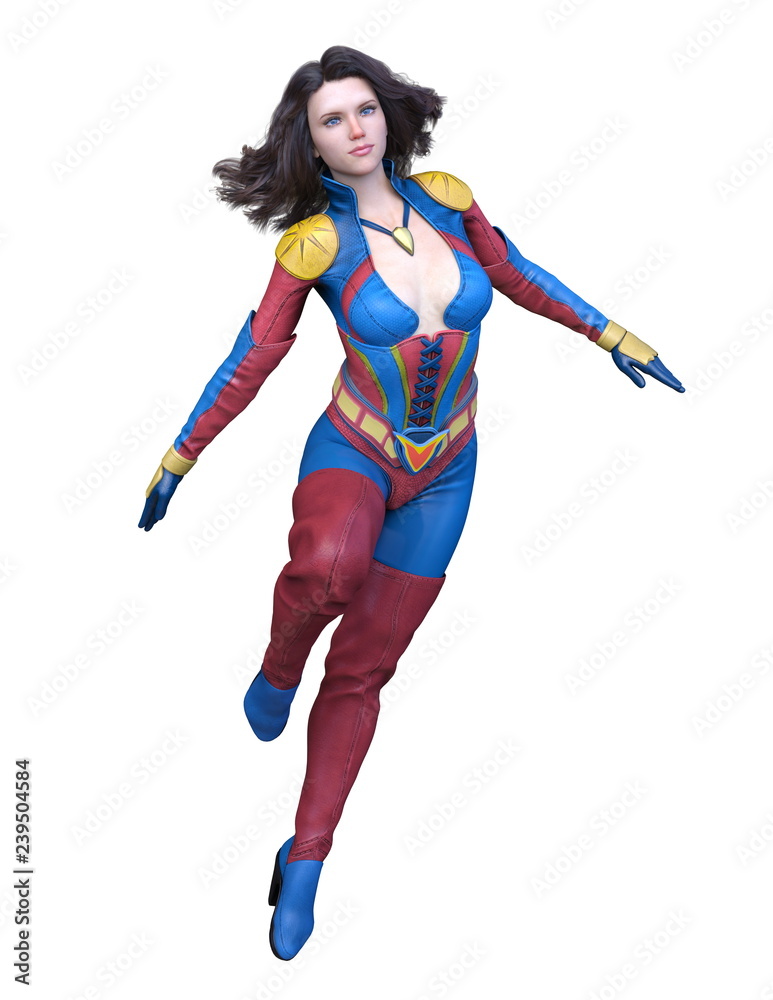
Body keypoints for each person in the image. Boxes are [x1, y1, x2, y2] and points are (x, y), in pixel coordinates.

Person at [138, 45, 683, 960]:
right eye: (331, 120)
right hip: (354, 449)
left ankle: (304, 857)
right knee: (328, 570)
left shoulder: (450, 200)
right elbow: (254, 355)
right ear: (309, 142)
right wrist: (180, 454)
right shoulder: (314, 245)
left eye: (364, 110)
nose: (354, 130)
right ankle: (279, 665)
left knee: (364, 670)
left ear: (388, 113)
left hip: (447, 466)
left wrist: (609, 332)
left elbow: (516, 274)